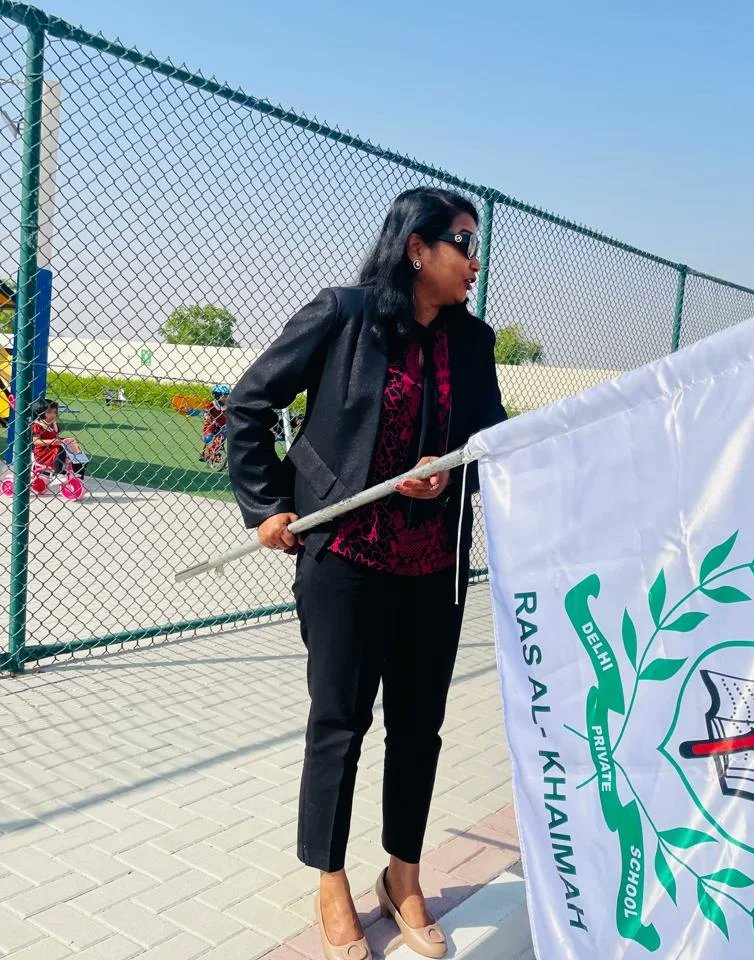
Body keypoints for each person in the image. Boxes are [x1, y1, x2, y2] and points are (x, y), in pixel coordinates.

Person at [228, 188, 506, 960]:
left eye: (473, 242)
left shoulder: (472, 343)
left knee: (419, 726)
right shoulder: (343, 315)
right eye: (460, 240)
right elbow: (250, 404)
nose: (472, 259)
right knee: (340, 725)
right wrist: (267, 507)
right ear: (416, 248)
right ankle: (328, 879)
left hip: (431, 569)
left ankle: (403, 875)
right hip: (345, 559)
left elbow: (491, 450)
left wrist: (450, 476)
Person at [31, 398, 84, 478]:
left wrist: (66, 440)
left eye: (55, 412)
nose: (53, 415)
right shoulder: (38, 425)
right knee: (61, 448)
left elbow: (56, 439)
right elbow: (36, 441)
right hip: (43, 453)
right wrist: (52, 441)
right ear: (40, 413)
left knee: (74, 447)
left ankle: (78, 472)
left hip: (53, 449)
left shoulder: (53, 425)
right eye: (49, 412)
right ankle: (58, 473)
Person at [199, 384, 229, 461]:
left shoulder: (226, 406)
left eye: (227, 396)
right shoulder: (211, 404)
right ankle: (202, 452)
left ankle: (214, 452)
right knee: (208, 438)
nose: (226, 398)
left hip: (222, 426)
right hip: (211, 425)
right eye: (224, 396)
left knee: (221, 437)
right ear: (217, 396)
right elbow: (205, 412)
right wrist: (207, 417)